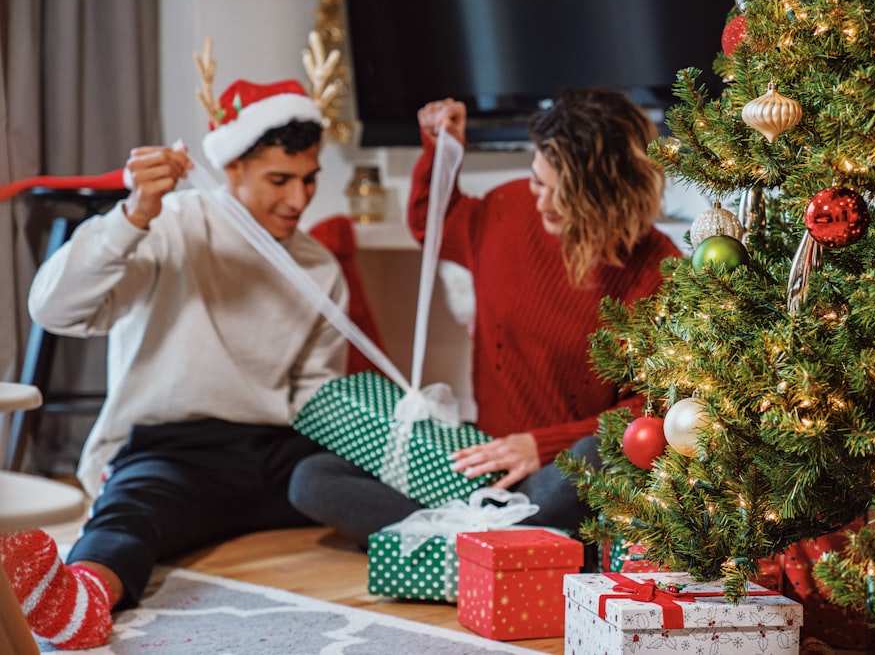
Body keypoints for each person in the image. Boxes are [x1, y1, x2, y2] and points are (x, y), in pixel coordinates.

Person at [0, 77, 348, 649]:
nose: (298, 200)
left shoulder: (320, 267)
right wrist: (133, 214)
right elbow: (53, 307)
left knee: (366, 470)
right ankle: (85, 595)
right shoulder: (170, 224)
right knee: (135, 510)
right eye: (279, 180)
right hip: (174, 447)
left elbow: (316, 390)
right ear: (232, 167)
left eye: (310, 180)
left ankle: (481, 535)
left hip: (273, 450)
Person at [289, 86, 683, 549]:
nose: (542, 203)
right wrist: (443, 147)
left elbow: (651, 411)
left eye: (565, 195)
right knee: (313, 477)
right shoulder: (507, 208)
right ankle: (497, 543)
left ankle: (453, 540)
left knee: (596, 455)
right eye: (539, 182)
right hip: (482, 463)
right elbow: (431, 224)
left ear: (611, 195)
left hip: (554, 475)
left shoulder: (656, 270)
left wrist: (542, 445)